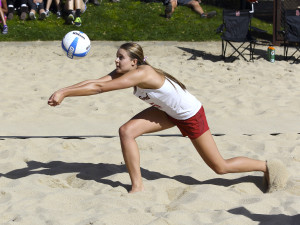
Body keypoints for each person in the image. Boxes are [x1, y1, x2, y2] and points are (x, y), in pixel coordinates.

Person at [48, 42, 278, 193]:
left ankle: (265, 166)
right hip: (167, 112)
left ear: (134, 62)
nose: (116, 61)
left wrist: (64, 93)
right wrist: (63, 90)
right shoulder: (128, 71)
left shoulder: (141, 74)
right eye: (116, 57)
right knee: (126, 131)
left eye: (120, 58)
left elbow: (99, 89)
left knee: (220, 167)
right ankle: (137, 186)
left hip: (190, 115)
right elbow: (96, 82)